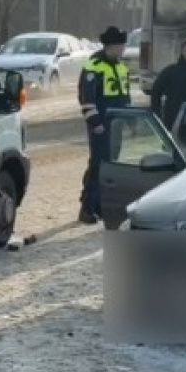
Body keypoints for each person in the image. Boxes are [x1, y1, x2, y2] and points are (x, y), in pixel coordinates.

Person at [77, 25, 131, 224]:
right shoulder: (94, 66)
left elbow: (125, 97)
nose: (124, 49)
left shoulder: (121, 66)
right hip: (101, 125)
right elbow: (86, 99)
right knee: (98, 166)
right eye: (122, 46)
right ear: (113, 46)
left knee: (110, 167)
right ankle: (87, 207)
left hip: (116, 124)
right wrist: (95, 122)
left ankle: (100, 205)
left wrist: (130, 120)